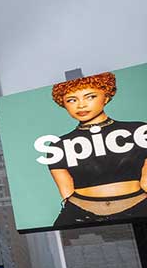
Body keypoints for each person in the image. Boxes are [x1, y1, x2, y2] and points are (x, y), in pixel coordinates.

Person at [43, 72, 147, 227]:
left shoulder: (138, 130)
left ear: (105, 97)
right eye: (72, 100)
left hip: (140, 209)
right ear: (63, 104)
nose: (81, 105)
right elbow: (67, 194)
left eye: (90, 96)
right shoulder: (58, 145)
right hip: (79, 215)